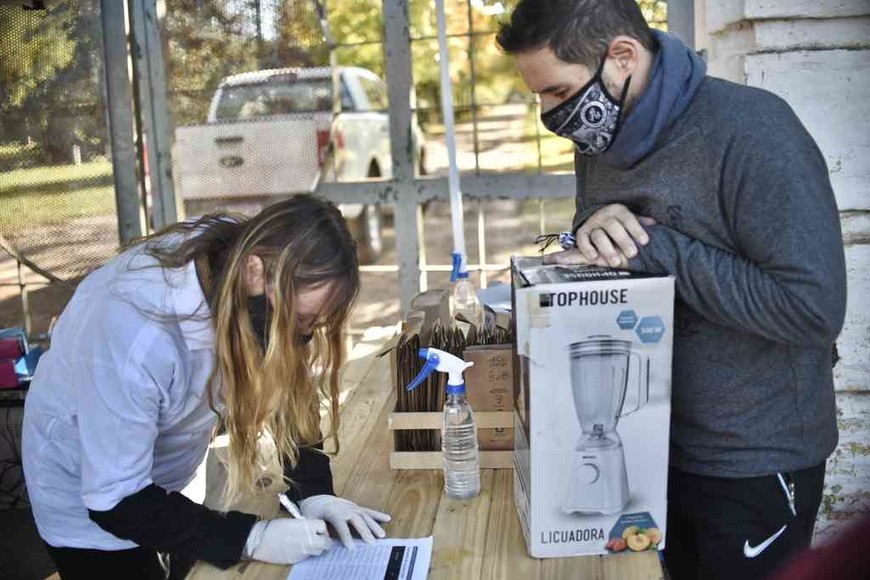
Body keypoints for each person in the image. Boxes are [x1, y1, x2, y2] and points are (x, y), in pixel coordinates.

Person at [497, 1, 846, 578]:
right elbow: (607, 242)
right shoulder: (601, 138)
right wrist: (591, 228)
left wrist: (657, 249)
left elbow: (812, 310)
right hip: (649, 452)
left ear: (623, 56)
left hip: (752, 460)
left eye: (558, 93)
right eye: (539, 96)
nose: (547, 114)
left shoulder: (754, 132)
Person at [22, 195, 391, 579]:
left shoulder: (237, 262)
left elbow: (286, 370)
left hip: (165, 486)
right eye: (298, 319)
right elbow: (116, 500)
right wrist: (250, 537)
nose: (302, 337)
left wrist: (314, 491)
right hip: (91, 514)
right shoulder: (135, 332)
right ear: (254, 272)